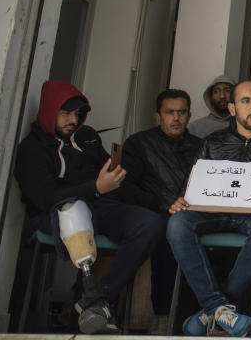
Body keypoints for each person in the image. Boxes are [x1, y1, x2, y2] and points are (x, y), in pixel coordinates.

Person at [14, 80, 165, 333]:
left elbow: (112, 175)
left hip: (100, 205)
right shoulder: (32, 149)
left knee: (150, 223)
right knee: (72, 211)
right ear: (50, 110)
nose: (72, 120)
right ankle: (95, 299)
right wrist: (95, 188)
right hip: (55, 212)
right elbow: (43, 198)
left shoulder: (86, 137)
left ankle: (100, 299)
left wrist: (156, 203)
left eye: (77, 114)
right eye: (65, 113)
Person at [166, 80, 251, 337]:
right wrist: (182, 199)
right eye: (246, 101)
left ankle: (211, 310)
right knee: (177, 222)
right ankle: (219, 307)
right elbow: (191, 186)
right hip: (212, 212)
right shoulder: (212, 142)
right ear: (232, 108)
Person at [119, 88, 202, 334]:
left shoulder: (201, 146)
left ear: (189, 116)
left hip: (194, 215)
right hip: (152, 215)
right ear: (158, 117)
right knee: (167, 233)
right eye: (169, 112)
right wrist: (163, 203)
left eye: (181, 112)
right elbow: (124, 187)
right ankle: (163, 317)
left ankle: (208, 317)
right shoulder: (138, 144)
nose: (176, 117)